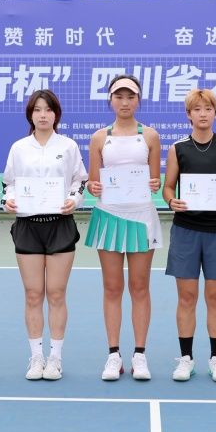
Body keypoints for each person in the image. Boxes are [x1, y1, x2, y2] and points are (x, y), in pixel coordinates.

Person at [1, 88, 84, 382]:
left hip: (60, 226)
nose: (43, 115)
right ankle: (36, 357)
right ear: (30, 115)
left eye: (48, 110)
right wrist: (9, 200)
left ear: (56, 114)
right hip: (28, 227)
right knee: (33, 293)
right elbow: (9, 184)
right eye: (37, 110)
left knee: (57, 293)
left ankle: (55, 359)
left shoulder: (69, 146)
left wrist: (74, 200)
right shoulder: (19, 147)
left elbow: (79, 181)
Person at [84, 73, 161, 382]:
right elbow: (93, 182)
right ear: (111, 100)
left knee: (140, 287)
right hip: (109, 218)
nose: (125, 102)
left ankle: (139, 354)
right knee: (112, 287)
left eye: (130, 96)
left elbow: (155, 181)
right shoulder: (99, 138)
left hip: (141, 218)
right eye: (119, 96)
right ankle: (113, 354)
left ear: (138, 100)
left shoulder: (150, 136)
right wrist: (93, 187)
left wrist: (153, 184)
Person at [160, 87, 216, 384]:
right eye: (197, 109)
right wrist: (171, 200)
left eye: (208, 109)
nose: (203, 114)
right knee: (187, 297)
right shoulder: (178, 148)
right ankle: (186, 359)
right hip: (186, 231)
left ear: (215, 114)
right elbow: (168, 187)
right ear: (188, 115)